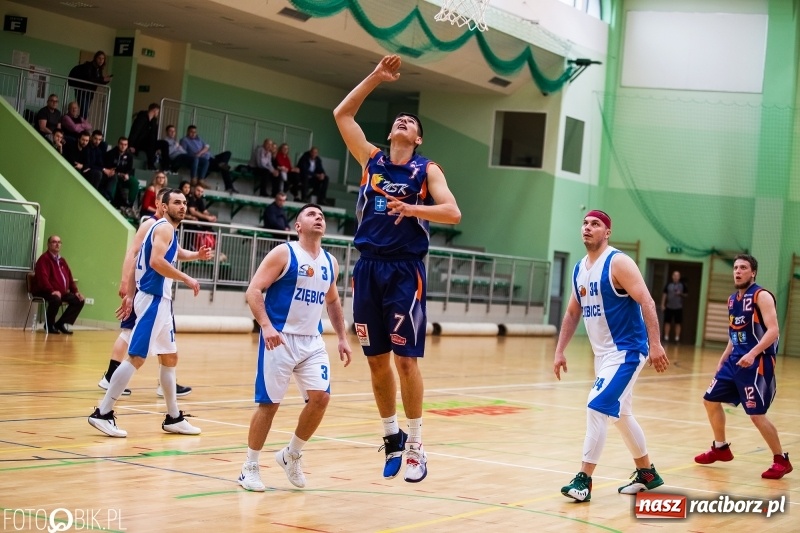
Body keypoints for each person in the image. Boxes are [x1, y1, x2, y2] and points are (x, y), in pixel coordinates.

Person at [333, 54, 462, 483]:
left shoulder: (427, 169)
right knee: (376, 360)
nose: (404, 122)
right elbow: (342, 113)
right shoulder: (371, 161)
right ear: (390, 132)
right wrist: (376, 75)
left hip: (405, 271)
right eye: (399, 119)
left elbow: (452, 212)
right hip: (368, 268)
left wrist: (412, 207)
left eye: (411, 121)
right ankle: (391, 436)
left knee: (406, 361)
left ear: (418, 138)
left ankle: (416, 445)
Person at [553, 210, 670, 502]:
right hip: (602, 355)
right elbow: (571, 312)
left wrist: (655, 344)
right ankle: (647, 473)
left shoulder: (618, 262)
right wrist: (559, 351)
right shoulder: (580, 268)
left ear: (607, 232)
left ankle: (583, 480)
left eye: (596, 224)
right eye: (585, 223)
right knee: (621, 415)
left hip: (627, 351)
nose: (588, 228)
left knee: (598, 405)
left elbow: (647, 301)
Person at [237, 203, 352, 492]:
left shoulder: (330, 262)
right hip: (280, 339)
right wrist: (265, 326)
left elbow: (333, 301)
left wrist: (341, 337)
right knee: (269, 405)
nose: (319, 218)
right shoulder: (283, 253)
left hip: (312, 342)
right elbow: (253, 291)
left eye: (322, 215)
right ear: (298, 226)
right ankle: (249, 466)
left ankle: (291, 455)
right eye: (311, 214)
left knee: (321, 398)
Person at [88, 188, 201, 438]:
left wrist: (196, 256)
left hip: (158, 300)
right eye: (176, 202)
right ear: (162, 206)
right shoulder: (164, 228)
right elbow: (156, 262)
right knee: (136, 358)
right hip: (154, 300)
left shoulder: (162, 229)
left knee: (170, 358)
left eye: (185, 202)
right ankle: (103, 412)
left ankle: (173, 417)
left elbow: (170, 254)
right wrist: (187, 278)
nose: (183, 206)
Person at [694, 254, 792, 479]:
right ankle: (721, 448)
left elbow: (774, 330)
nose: (738, 271)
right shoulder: (732, 300)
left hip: (757, 363)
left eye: (743, 268)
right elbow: (734, 333)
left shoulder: (762, 295)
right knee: (709, 400)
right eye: (736, 267)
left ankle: (781, 459)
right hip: (734, 361)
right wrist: (723, 357)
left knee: (756, 415)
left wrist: (752, 353)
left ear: (753, 272)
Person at [33, 235, 85, 334]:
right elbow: (42, 278)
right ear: (48, 244)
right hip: (45, 291)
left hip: (61, 292)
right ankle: (49, 325)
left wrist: (76, 291)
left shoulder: (62, 260)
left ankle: (60, 324)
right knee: (56, 299)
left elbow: (69, 277)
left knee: (79, 300)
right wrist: (52, 291)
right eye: (54, 242)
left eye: (59, 242)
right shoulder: (44, 259)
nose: (57, 244)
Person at [68, 51, 111, 119]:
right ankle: (82, 126)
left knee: (85, 111)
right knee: (84, 111)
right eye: (99, 58)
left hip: (89, 92)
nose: (101, 60)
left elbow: (98, 80)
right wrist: (103, 79)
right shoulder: (88, 66)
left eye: (103, 59)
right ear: (95, 58)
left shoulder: (99, 69)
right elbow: (90, 78)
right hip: (82, 90)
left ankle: (82, 125)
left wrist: (106, 81)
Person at [128, 103, 161, 169]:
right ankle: (151, 165)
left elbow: (154, 134)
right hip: (140, 143)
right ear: (154, 110)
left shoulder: (153, 121)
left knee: (164, 144)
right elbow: (135, 132)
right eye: (157, 111)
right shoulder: (141, 118)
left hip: (149, 142)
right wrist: (131, 145)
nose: (158, 113)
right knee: (151, 143)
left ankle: (166, 166)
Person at [661, 270, 687, 343]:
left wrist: (680, 294)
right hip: (669, 306)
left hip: (678, 307)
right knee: (667, 322)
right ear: (672, 276)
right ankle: (666, 337)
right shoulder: (668, 285)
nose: (675, 277)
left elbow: (686, 294)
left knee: (678, 323)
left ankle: (677, 338)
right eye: (674, 275)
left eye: (677, 275)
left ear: (679, 277)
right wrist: (663, 304)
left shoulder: (682, 285)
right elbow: (664, 294)